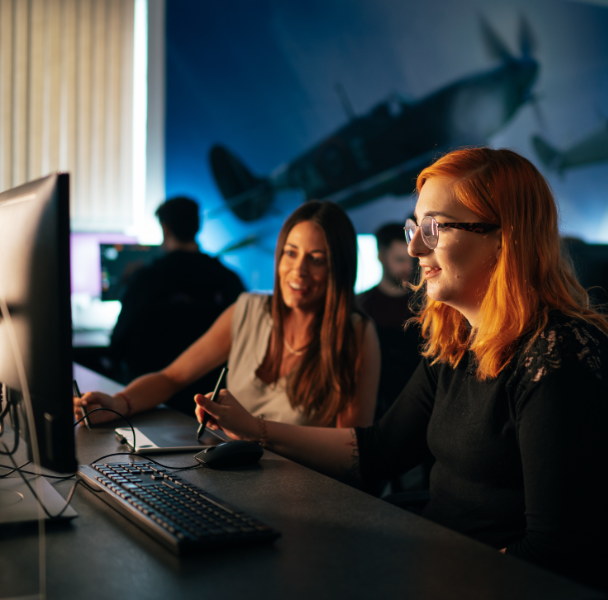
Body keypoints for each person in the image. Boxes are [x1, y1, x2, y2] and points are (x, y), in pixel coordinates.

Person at [191, 148, 608, 592]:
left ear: (505, 237)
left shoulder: (559, 354)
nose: (413, 247)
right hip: (433, 556)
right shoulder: (457, 341)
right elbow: (379, 450)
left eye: (435, 228)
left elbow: (554, 553)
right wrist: (256, 430)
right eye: (415, 227)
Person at [75, 200, 380, 428]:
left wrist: (257, 432)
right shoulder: (246, 309)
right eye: (290, 253)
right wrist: (119, 404)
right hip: (233, 472)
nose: (298, 270)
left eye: (316, 259)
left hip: (301, 494)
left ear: (338, 268)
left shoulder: (355, 333)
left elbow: (350, 452)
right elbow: (172, 377)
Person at [109, 196, 245, 415]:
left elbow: (117, 344)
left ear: (165, 228)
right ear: (198, 226)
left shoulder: (145, 279)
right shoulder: (228, 279)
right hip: (213, 405)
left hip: (149, 404)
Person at [358, 222, 421, 418]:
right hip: (373, 410)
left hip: (417, 408)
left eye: (411, 259)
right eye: (399, 259)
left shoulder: (424, 306)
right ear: (381, 256)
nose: (407, 267)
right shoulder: (360, 306)